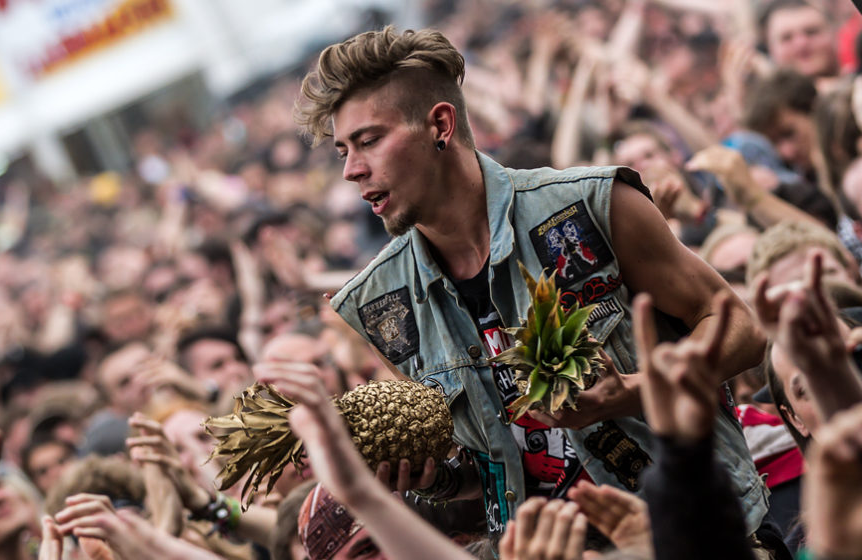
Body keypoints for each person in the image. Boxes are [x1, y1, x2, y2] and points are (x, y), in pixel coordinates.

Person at [294, 25, 768, 548]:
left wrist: (628, 394)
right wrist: (438, 480)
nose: (352, 171)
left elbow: (743, 331)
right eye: (343, 151)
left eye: (369, 140)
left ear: (440, 125)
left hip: (698, 532)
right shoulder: (382, 302)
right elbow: (492, 467)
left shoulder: (591, 206)